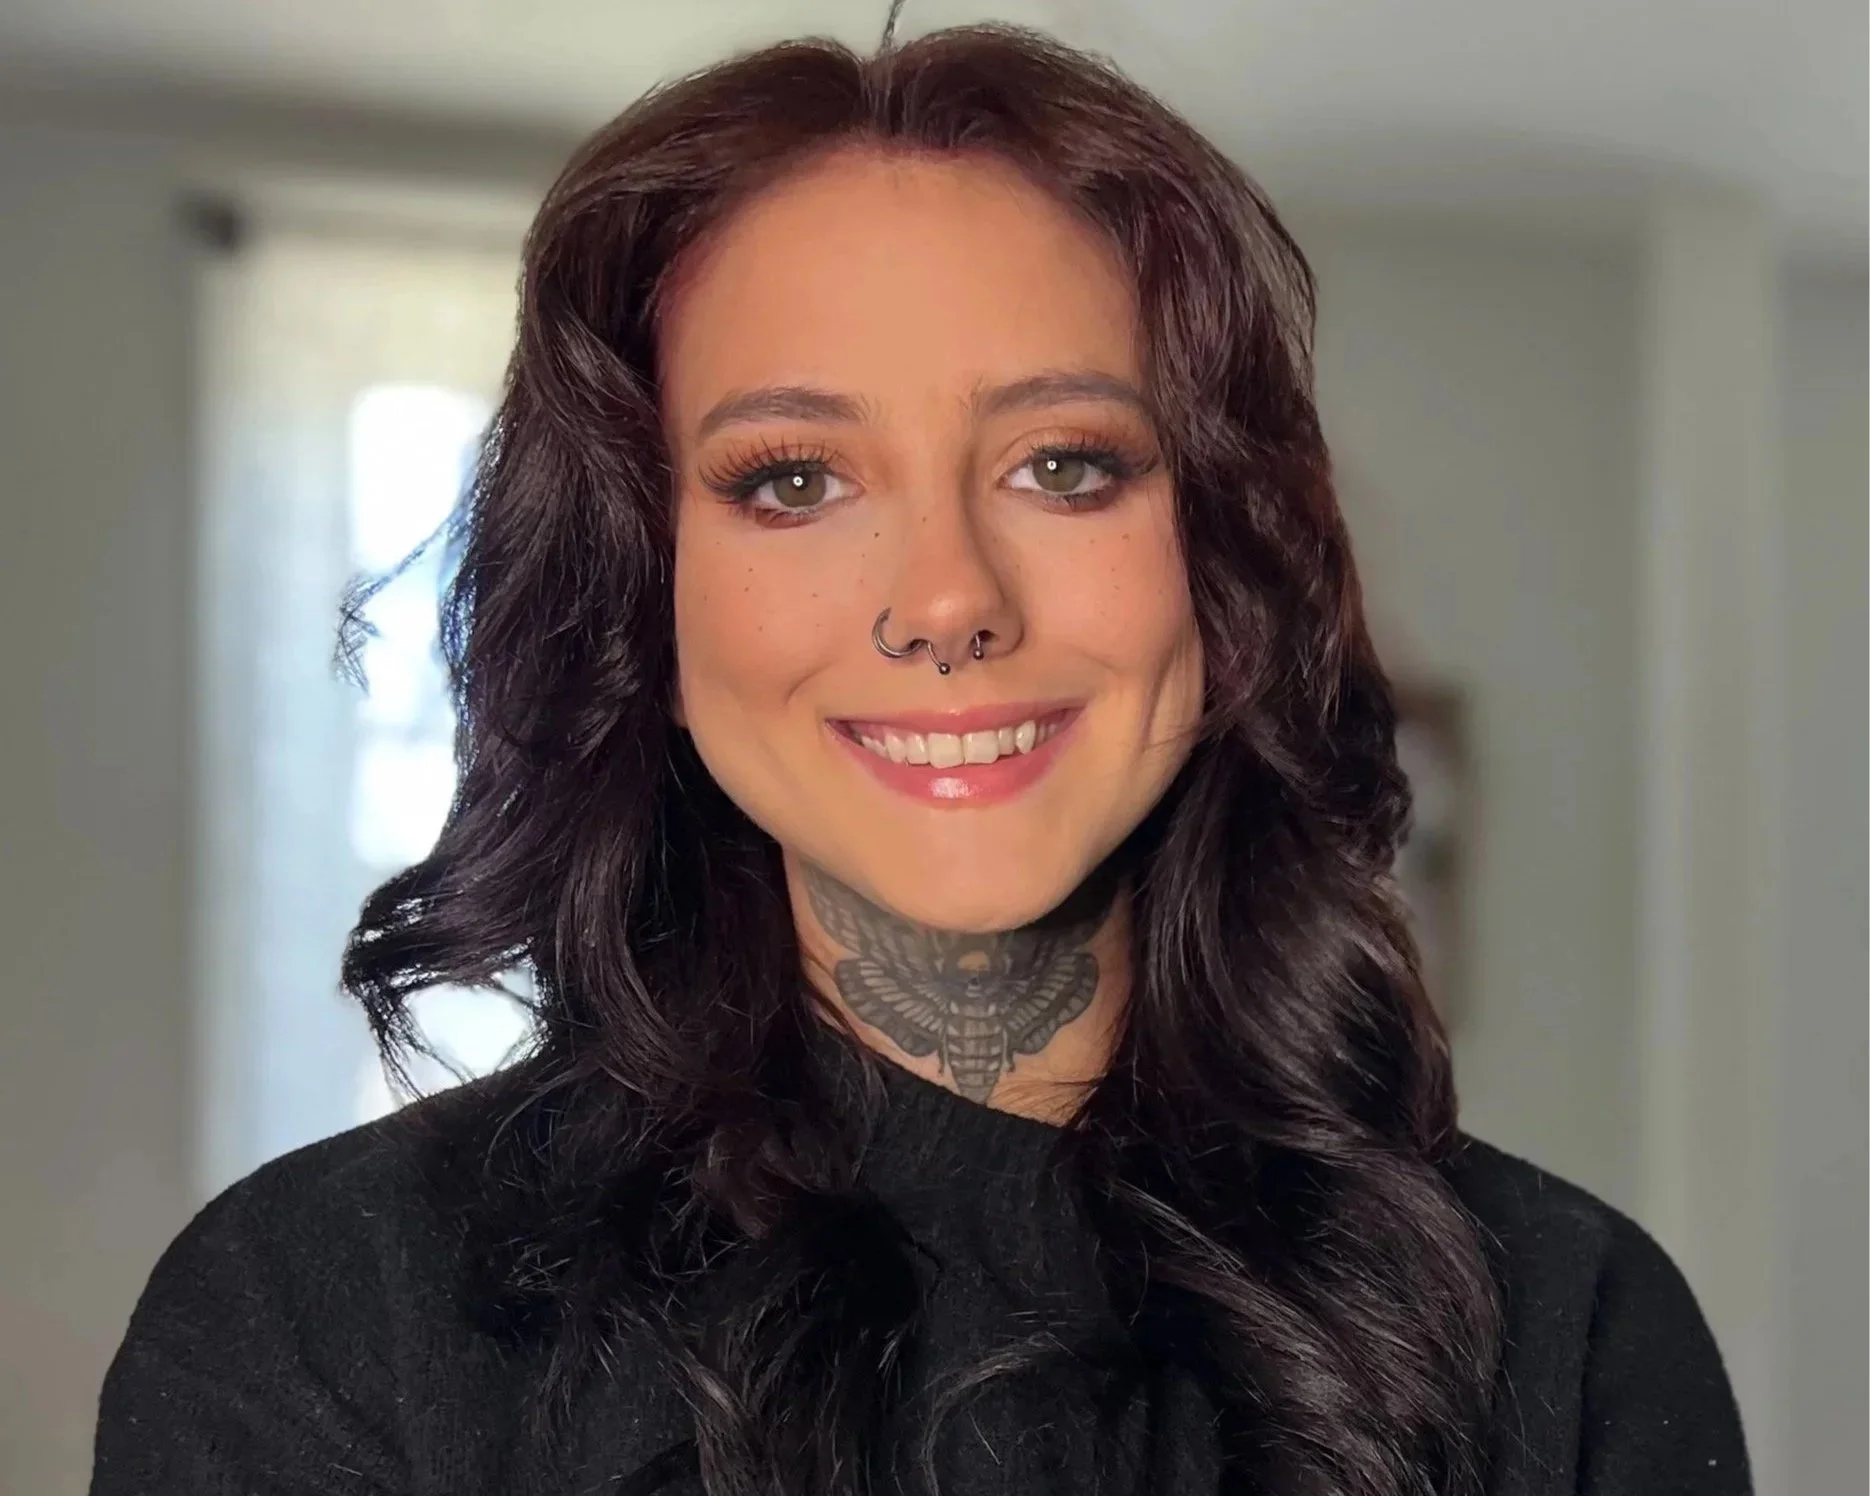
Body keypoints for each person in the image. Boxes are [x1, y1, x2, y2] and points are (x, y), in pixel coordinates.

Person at [89, 23, 1751, 1496]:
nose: (947, 601)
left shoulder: (1564, 1324)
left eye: (1065, 466)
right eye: (793, 481)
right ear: (645, 597)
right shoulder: (321, 1314)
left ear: (1224, 570)